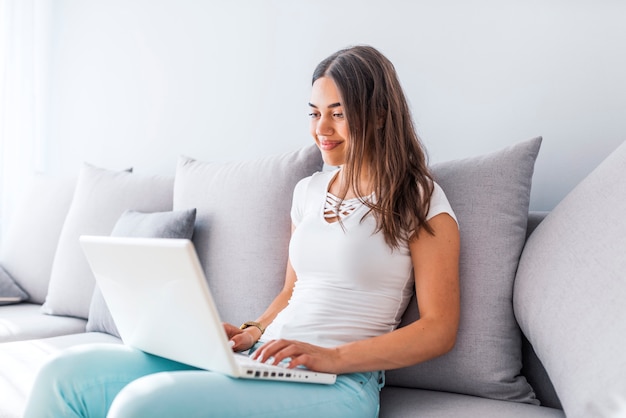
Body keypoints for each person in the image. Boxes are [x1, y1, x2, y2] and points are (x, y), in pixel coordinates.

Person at [23, 45, 460, 418]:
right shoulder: (308, 191)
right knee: (64, 376)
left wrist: (334, 357)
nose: (320, 130)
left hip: (339, 383)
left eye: (338, 114)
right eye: (314, 113)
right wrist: (253, 330)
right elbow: (293, 291)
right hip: (265, 358)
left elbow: (440, 328)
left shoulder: (419, 199)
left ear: (380, 116)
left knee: (144, 404)